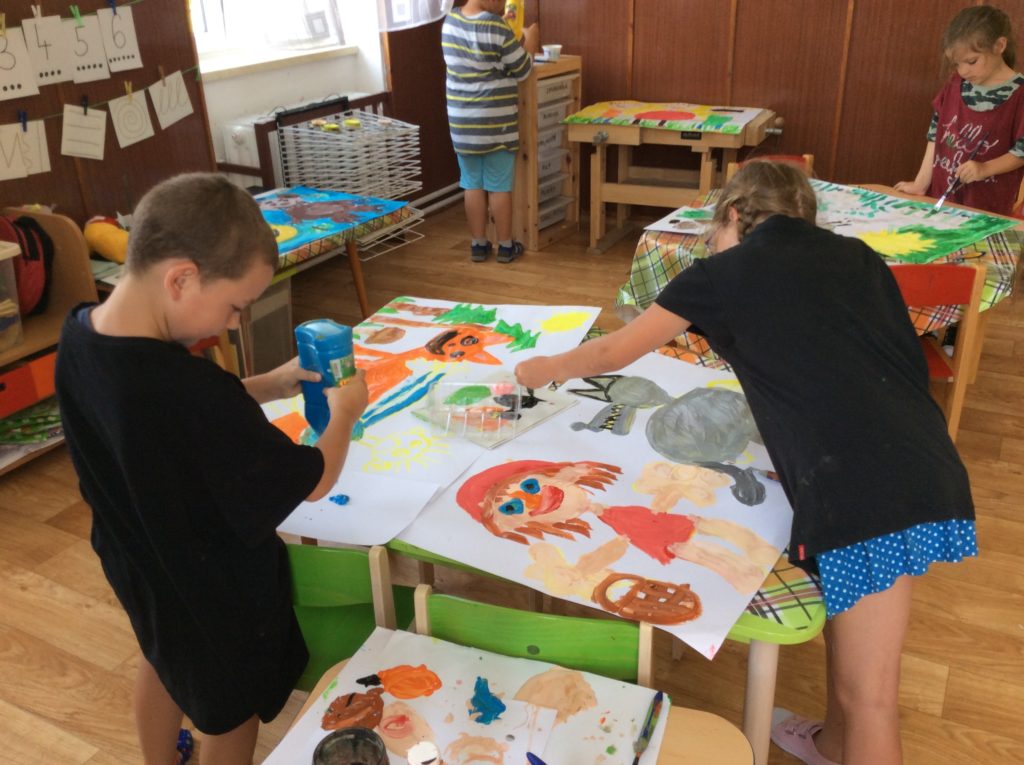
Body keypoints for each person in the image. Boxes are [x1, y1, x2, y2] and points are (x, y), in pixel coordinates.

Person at [515, 161, 977, 765]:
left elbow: (613, 351)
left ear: (734, 214)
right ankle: (833, 745)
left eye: (715, 234)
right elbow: (897, 361)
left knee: (871, 698)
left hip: (864, 493)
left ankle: (852, 736)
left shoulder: (719, 274)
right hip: (920, 460)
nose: (714, 245)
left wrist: (541, 368)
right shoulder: (858, 256)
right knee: (853, 648)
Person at [54, 173, 368, 765]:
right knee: (230, 712)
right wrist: (345, 413)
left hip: (136, 560)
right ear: (181, 279)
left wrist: (267, 383)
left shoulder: (81, 334)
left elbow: (166, 420)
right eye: (234, 307)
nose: (230, 324)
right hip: (208, 587)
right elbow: (314, 477)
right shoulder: (187, 389)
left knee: (161, 657)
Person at [895, 4, 1024, 216]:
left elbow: (1021, 152)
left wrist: (985, 169)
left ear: (999, 45)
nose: (963, 71)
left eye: (971, 61)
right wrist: (920, 183)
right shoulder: (955, 84)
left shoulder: (1020, 94)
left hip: (986, 212)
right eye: (956, 64)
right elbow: (935, 134)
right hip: (941, 202)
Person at [442, 0, 539, 263]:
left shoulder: (449, 22)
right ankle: (505, 246)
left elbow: (478, 57)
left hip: (462, 123)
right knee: (498, 185)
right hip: (495, 122)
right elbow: (522, 69)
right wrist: (530, 38)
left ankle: (478, 244)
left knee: (471, 183)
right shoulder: (495, 26)